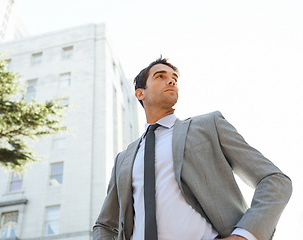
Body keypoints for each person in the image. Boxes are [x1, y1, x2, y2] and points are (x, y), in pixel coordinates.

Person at [92, 57, 292, 240]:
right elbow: (105, 225)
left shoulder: (209, 126)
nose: (171, 81)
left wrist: (244, 235)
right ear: (140, 93)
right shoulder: (123, 159)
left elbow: (275, 180)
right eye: (160, 76)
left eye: (174, 78)